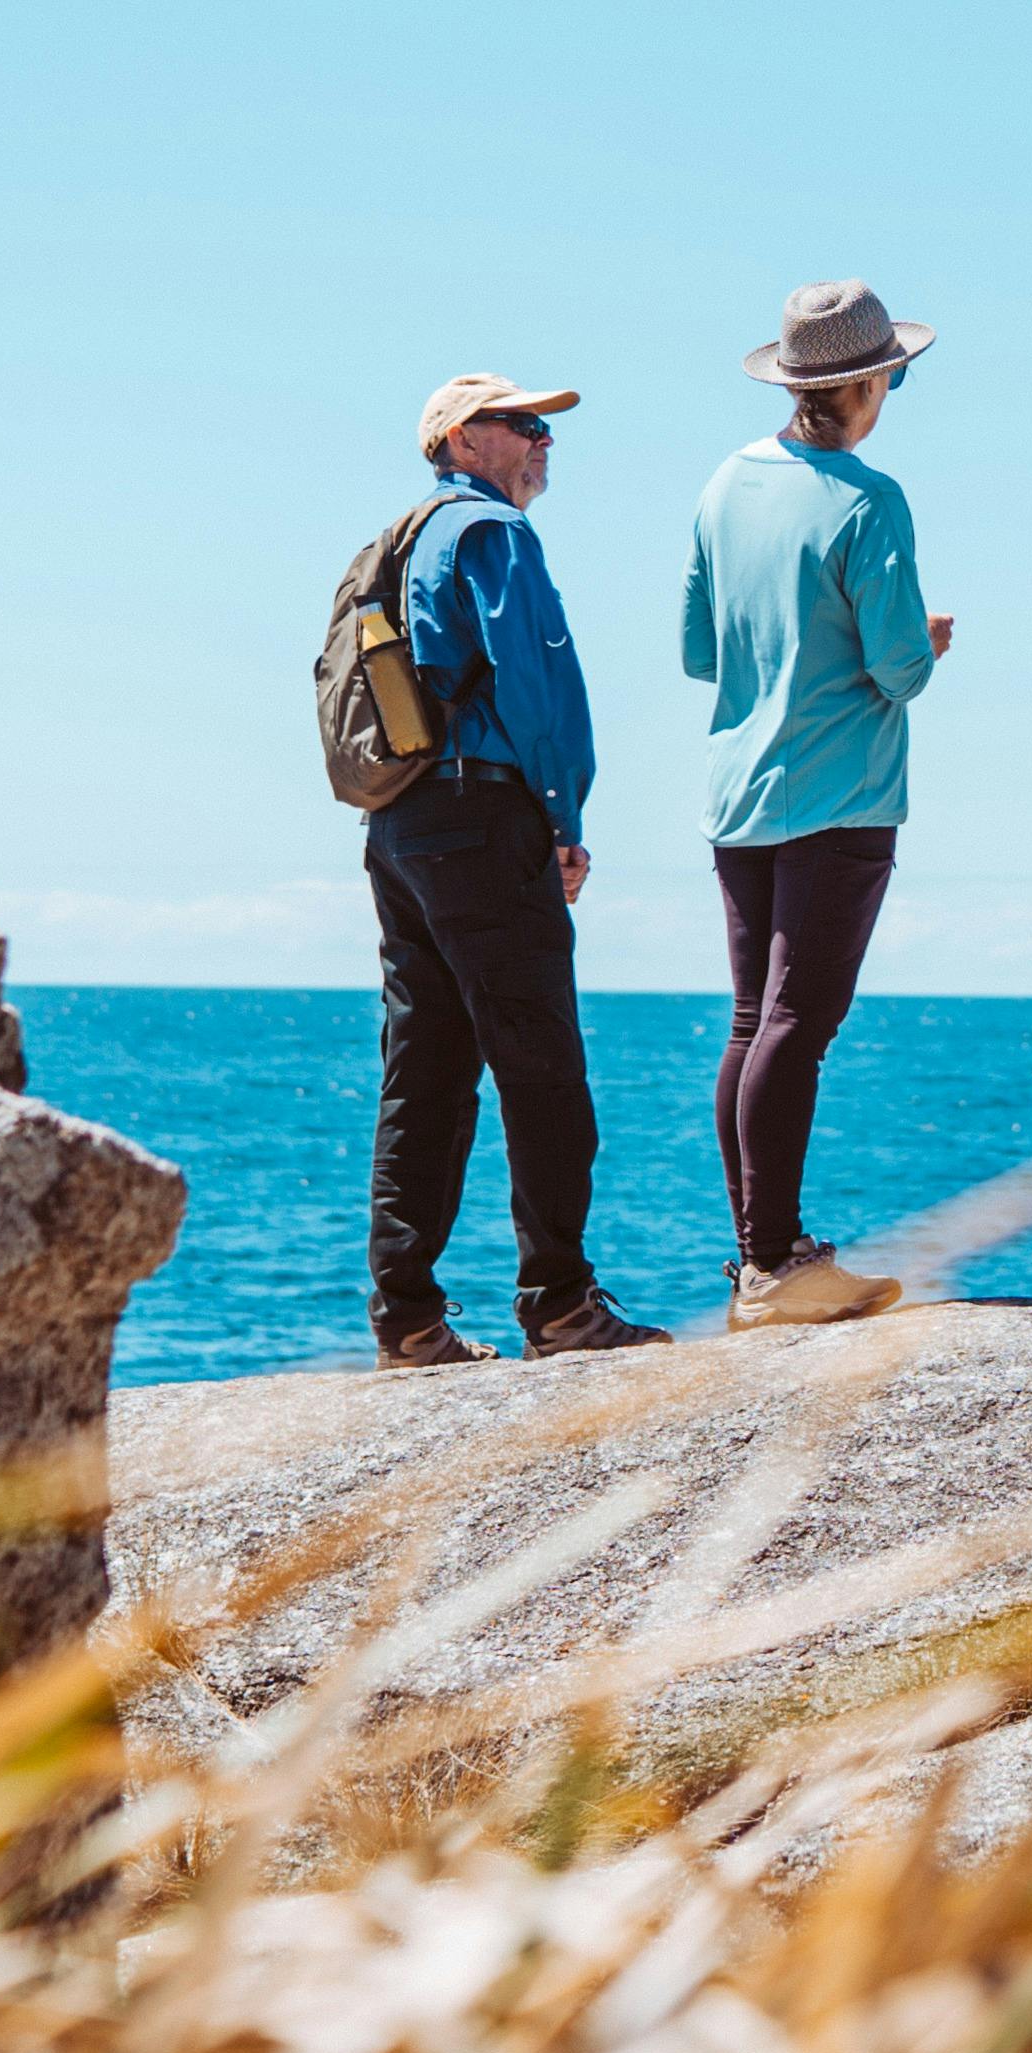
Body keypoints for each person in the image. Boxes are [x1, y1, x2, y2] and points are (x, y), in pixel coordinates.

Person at [362, 374, 667, 1367]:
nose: (544, 442)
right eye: (525, 424)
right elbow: (529, 691)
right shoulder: (492, 534)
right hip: (486, 817)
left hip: (401, 826)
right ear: (460, 438)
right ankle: (562, 1304)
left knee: (425, 1075)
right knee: (542, 1070)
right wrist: (561, 822)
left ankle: (406, 1319)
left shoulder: (402, 540)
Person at [684, 282, 940, 1330]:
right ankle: (775, 1261)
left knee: (753, 1020)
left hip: (739, 788)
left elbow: (700, 650)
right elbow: (900, 668)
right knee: (799, 1021)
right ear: (867, 382)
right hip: (840, 791)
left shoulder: (722, 484)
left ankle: (755, 1254)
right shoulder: (867, 500)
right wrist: (926, 637)